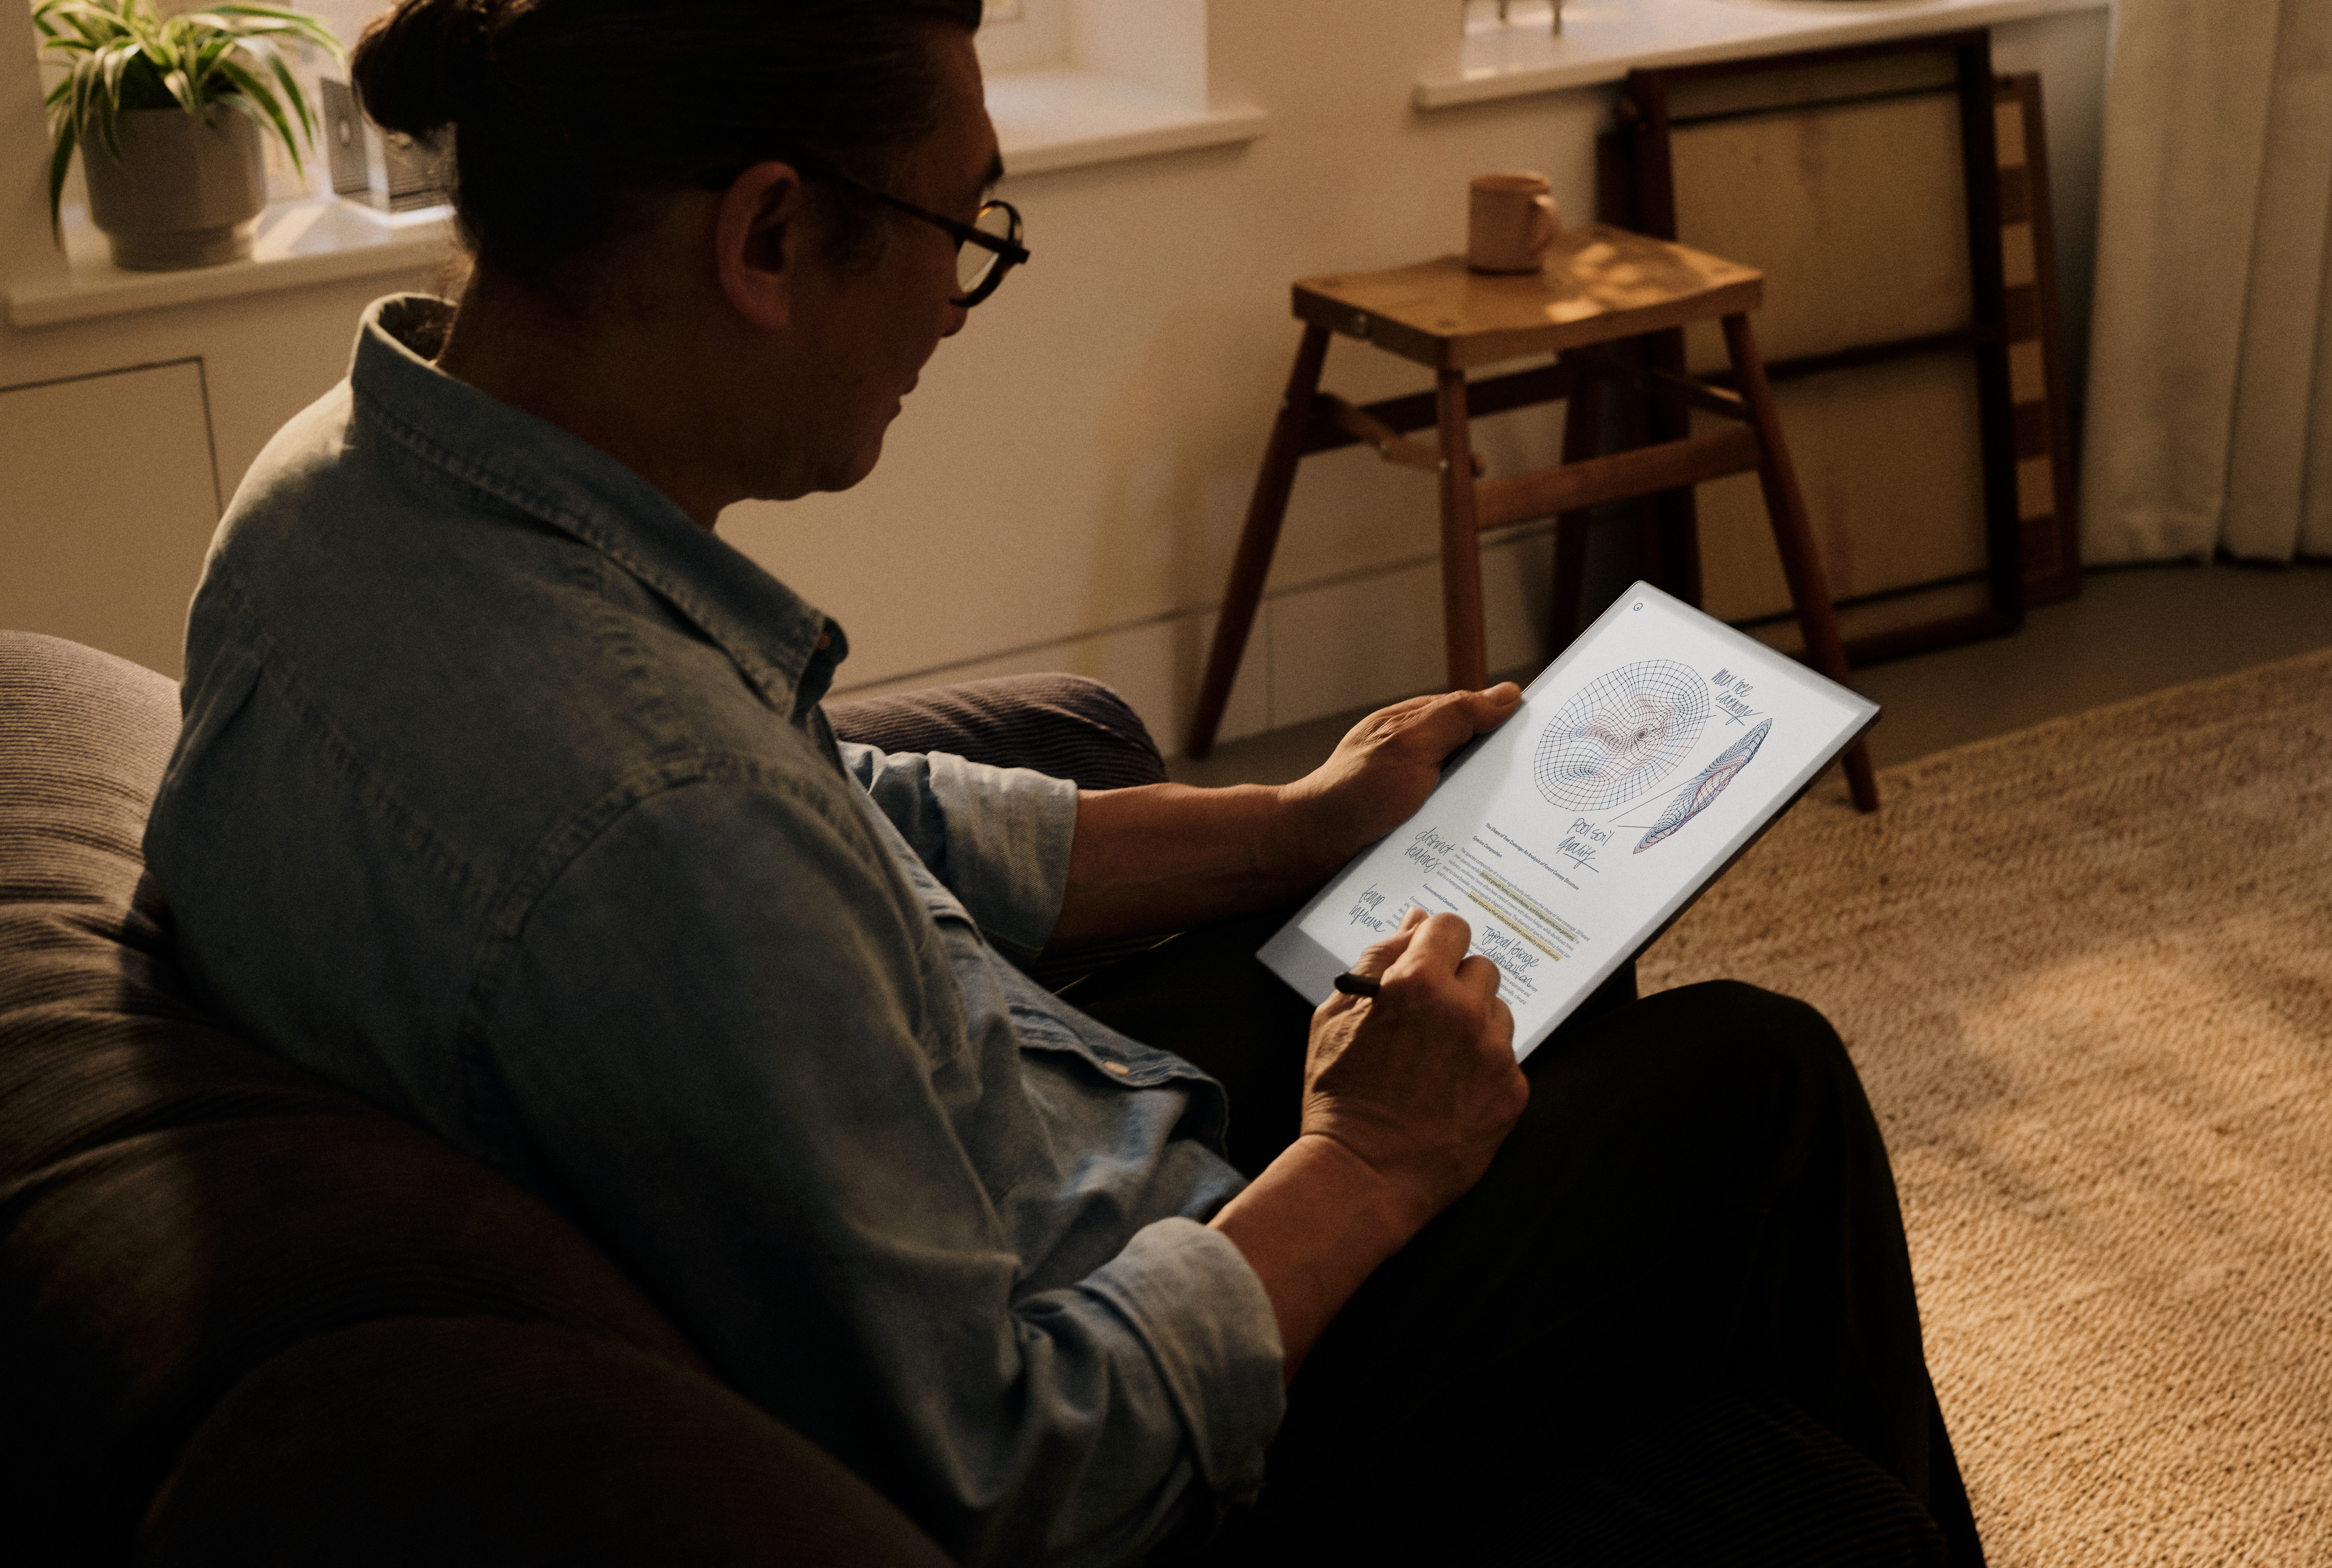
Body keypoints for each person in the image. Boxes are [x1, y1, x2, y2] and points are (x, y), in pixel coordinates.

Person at [143, 1, 1985, 1563]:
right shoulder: (657, 827)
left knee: (1514, 956)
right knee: (1761, 1089)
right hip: (1138, 1395)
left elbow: (835, 812)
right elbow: (1031, 1466)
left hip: (1031, 1136)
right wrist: (1363, 1162)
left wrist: (1297, 822)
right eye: (962, 227)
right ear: (769, 239)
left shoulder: (352, 479)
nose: (960, 301)